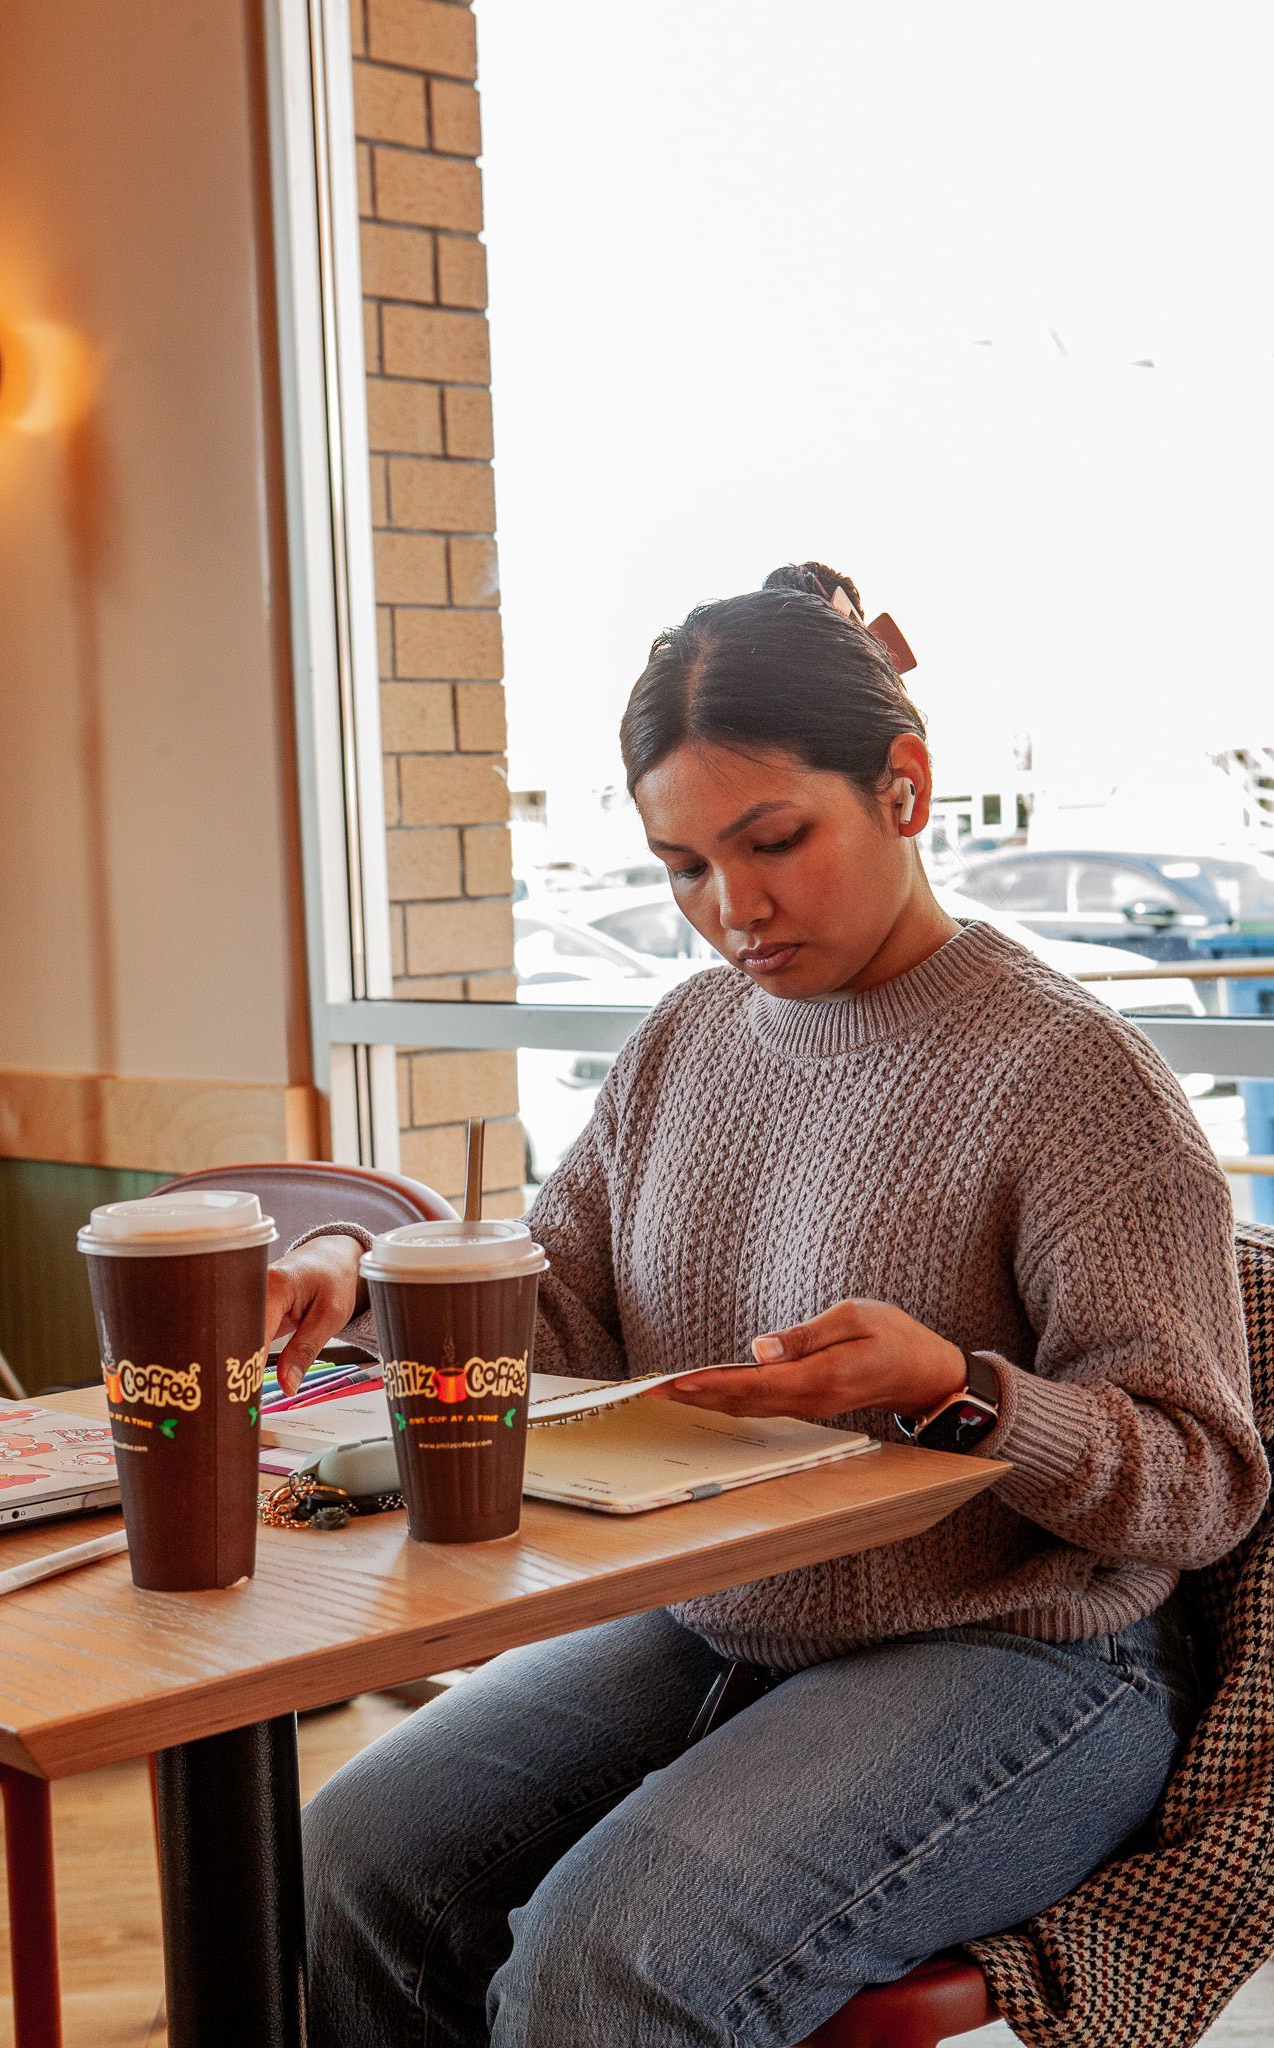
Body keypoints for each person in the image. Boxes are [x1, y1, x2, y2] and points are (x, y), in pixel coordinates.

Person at [267, 562, 1269, 2048]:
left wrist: (957, 1390)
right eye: (682, 866)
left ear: (903, 788)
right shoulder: (685, 1041)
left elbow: (1203, 1487)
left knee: (607, 1961)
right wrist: (368, 1286)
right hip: (725, 1608)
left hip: (1025, 1649)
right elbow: (572, 1339)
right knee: (345, 1863)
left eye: (774, 841)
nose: (730, 909)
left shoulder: (1074, 1080)